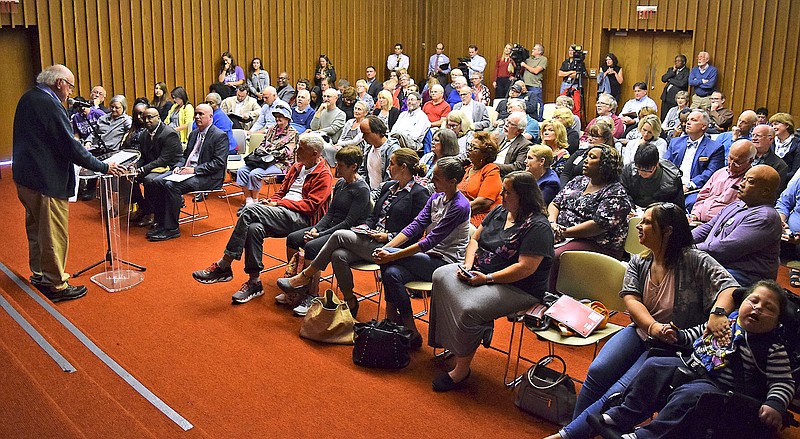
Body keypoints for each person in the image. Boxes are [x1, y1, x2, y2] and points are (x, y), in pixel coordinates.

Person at [548, 202, 738, 439]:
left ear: (667, 231)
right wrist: (653, 327)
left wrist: (717, 312)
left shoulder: (694, 260)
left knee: (620, 391)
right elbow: (631, 299)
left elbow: (730, 287)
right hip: (643, 331)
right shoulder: (640, 260)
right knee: (598, 371)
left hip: (674, 343)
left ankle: (567, 436)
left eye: (647, 222)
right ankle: (578, 429)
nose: (639, 225)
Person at [594, 280, 792, 438]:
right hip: (693, 365)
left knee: (689, 396)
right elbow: (697, 334)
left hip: (720, 388)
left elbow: (783, 381)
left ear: (777, 322)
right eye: (753, 301)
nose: (757, 308)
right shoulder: (726, 322)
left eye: (769, 308)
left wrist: (775, 404)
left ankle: (648, 435)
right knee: (654, 365)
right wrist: (678, 336)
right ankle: (625, 413)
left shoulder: (772, 348)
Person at [429, 171, 554, 391]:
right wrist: (468, 266)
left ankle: (461, 370)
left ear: (524, 196)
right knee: (440, 275)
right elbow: (475, 239)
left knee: (470, 308)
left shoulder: (538, 226)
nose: (501, 195)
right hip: (480, 271)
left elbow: (525, 268)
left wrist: (487, 279)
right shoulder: (499, 211)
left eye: (507, 192)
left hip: (517, 287)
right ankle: (458, 339)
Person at [12, 64, 126, 301]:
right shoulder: (49, 103)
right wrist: (104, 166)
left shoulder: (29, 96)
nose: (70, 93)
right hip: (46, 180)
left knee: (36, 229)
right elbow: (68, 145)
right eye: (70, 86)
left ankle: (40, 274)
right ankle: (55, 284)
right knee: (53, 233)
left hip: (26, 177)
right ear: (60, 83)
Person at [277, 148, 429, 314]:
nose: (388, 168)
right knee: (338, 255)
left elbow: (415, 231)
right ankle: (350, 301)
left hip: (391, 247)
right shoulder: (389, 187)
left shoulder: (419, 193)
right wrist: (365, 229)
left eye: (392, 164)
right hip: (371, 239)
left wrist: (388, 236)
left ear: (403, 167)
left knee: (339, 235)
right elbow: (372, 217)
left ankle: (304, 277)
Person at [192, 133, 333, 304]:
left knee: (250, 211)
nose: (296, 150)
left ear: (315, 153)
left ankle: (224, 264)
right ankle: (254, 281)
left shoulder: (324, 175)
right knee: (253, 228)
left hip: (302, 218)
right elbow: (281, 192)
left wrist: (280, 203)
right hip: (283, 211)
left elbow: (311, 206)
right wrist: (271, 201)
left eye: (301, 149)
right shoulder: (297, 167)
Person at [373, 157, 471, 346]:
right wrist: (385, 249)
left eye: (437, 178)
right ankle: (410, 328)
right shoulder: (436, 197)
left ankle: (393, 317)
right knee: (392, 272)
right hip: (427, 258)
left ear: (452, 181)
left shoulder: (460, 206)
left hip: (447, 263)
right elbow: (415, 226)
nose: (431, 181)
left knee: (389, 263)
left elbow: (430, 241)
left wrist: (392, 254)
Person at [277, 146, 370, 312]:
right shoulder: (341, 183)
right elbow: (330, 212)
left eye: (340, 165)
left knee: (312, 247)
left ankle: (312, 295)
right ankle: (295, 286)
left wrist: (320, 234)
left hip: (345, 232)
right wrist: (316, 229)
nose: (337, 168)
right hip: (329, 227)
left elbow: (348, 222)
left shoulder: (361, 190)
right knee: (293, 238)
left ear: (353, 166)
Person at [548, 144, 632, 291]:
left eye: (592, 157)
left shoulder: (615, 193)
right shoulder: (578, 181)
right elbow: (555, 203)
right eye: (587, 156)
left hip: (597, 243)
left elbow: (597, 226)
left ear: (605, 165)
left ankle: (550, 297)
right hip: (563, 233)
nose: (585, 160)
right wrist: (552, 223)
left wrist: (564, 232)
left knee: (555, 255)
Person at [145, 104, 229, 241]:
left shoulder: (220, 136)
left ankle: (172, 228)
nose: (197, 117)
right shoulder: (194, 133)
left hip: (209, 176)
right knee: (157, 182)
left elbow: (218, 164)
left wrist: (194, 170)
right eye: (196, 114)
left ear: (210, 117)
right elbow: (184, 156)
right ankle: (160, 223)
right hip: (187, 171)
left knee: (171, 186)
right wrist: (178, 167)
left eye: (201, 114)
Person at [693, 165, 782, 286]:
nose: (742, 184)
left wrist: (688, 249)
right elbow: (707, 228)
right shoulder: (737, 205)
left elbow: (724, 249)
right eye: (744, 179)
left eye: (750, 182)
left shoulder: (765, 217)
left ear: (765, 191)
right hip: (717, 264)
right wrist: (679, 239)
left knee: (681, 276)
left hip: (743, 276)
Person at [236, 102, 298, 207]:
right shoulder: (271, 129)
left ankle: (255, 203)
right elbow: (262, 145)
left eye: (281, 117)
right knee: (242, 171)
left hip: (281, 164)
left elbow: (287, 152)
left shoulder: (293, 133)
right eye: (276, 117)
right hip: (264, 161)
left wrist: (270, 153)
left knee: (255, 174)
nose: (278, 119)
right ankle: (249, 200)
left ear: (287, 118)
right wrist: (261, 152)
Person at [130, 107, 183, 228]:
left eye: (150, 117)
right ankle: (145, 208)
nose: (147, 120)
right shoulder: (144, 134)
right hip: (154, 165)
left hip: (171, 167)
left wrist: (143, 169)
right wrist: (135, 166)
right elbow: (143, 157)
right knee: (128, 177)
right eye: (145, 118)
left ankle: (151, 213)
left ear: (158, 118)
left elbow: (163, 159)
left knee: (149, 180)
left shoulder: (169, 133)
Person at [665, 110, 724, 205]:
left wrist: (689, 185)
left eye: (693, 120)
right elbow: (666, 165)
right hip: (672, 185)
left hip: (695, 189)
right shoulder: (675, 142)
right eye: (688, 119)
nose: (688, 122)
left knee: (688, 203)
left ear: (704, 126)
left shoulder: (715, 148)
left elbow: (711, 172)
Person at [690, 140, 756, 222]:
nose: (731, 164)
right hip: (699, 220)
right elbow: (703, 196)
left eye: (737, 163)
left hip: (722, 225)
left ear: (750, 161)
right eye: (730, 158)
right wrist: (695, 214)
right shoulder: (720, 172)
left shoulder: (751, 181)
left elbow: (741, 211)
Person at [620, 143, 684, 209]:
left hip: (660, 212)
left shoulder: (672, 178)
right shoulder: (628, 170)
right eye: (639, 168)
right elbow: (624, 194)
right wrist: (630, 208)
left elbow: (677, 208)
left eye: (647, 170)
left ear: (657, 164)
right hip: (635, 209)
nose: (642, 173)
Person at [459, 132, 502, 227]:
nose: (469, 149)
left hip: (480, 217)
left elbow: (483, 203)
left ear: (485, 155)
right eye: (470, 145)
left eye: (474, 148)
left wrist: (455, 212)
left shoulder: (491, 170)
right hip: (461, 212)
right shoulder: (467, 168)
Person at [562, 122, 614, 186]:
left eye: (595, 136)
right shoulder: (580, 153)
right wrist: (563, 189)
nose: (590, 139)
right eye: (589, 135)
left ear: (605, 139)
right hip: (570, 188)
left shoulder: (609, 157)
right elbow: (565, 173)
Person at [360, 116, 401, 196]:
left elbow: (392, 180)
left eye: (366, 133)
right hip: (369, 191)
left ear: (377, 132)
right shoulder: (368, 147)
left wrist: (372, 197)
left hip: (383, 195)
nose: (363, 137)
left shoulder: (393, 150)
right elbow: (363, 171)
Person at [495, 112, 533, 177]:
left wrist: (494, 166)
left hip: (505, 176)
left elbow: (518, 167)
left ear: (519, 130)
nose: (506, 124)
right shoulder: (499, 137)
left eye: (511, 124)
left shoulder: (525, 145)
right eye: (507, 121)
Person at [310, 88, 346, 157]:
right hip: (319, 142)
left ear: (336, 98)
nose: (326, 99)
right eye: (324, 96)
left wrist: (318, 131)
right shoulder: (321, 111)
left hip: (331, 145)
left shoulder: (341, 114)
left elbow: (332, 130)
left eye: (328, 96)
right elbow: (313, 127)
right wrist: (319, 111)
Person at [751, 124, 788, 190]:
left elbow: (774, 192)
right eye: (753, 135)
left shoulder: (780, 165)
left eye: (758, 136)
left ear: (770, 139)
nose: (754, 138)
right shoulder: (744, 156)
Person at [520, 44, 547, 121]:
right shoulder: (529, 59)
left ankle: (539, 119)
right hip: (525, 85)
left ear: (539, 51)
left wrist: (525, 65)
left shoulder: (543, 59)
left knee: (537, 103)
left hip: (534, 85)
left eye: (534, 49)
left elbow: (536, 71)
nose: (532, 50)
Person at [770, 112, 800, 179]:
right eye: (772, 125)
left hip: (788, 181)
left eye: (776, 124)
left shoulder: (797, 144)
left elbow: (795, 171)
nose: (773, 127)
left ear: (787, 125)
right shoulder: (770, 142)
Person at [659, 54, 689, 120]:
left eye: (678, 61)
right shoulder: (671, 69)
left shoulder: (687, 71)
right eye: (675, 61)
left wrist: (670, 80)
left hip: (675, 98)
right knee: (663, 117)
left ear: (684, 62)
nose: (676, 63)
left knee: (672, 117)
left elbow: (682, 83)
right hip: (665, 97)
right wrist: (673, 71)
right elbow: (664, 79)